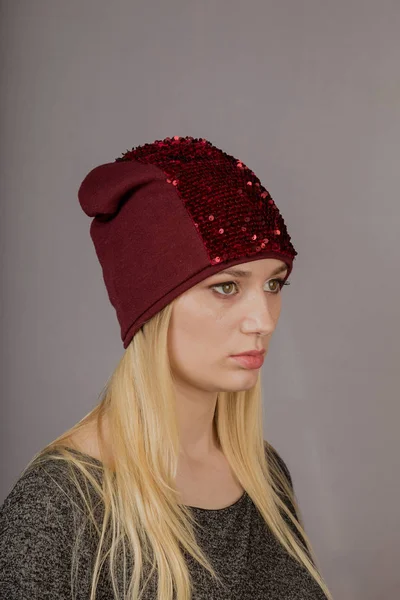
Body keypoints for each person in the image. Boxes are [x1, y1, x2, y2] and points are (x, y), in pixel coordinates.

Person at [0, 136, 332, 600]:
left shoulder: (263, 474)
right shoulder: (58, 505)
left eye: (274, 282)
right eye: (225, 287)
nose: (263, 322)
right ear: (151, 308)